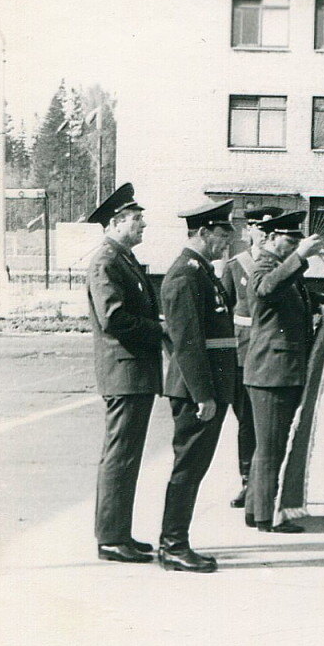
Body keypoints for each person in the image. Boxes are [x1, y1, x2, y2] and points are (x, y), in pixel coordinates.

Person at [158, 200, 237, 573]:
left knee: (194, 467)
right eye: (222, 234)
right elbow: (187, 342)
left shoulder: (202, 272)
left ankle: (175, 541)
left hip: (208, 388)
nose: (227, 241)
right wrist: (203, 394)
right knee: (188, 468)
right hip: (197, 393)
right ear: (203, 232)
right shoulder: (185, 276)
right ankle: (173, 545)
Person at [85, 183, 162, 564]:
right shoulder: (106, 262)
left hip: (134, 372)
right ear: (116, 223)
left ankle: (119, 533)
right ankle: (112, 539)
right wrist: (160, 329)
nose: (142, 225)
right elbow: (114, 318)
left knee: (127, 456)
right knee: (121, 456)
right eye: (136, 219)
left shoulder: (123, 259)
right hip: (125, 372)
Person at [243, 211, 323, 533]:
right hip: (271, 371)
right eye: (290, 241)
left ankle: (255, 510)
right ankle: (267, 516)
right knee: (271, 447)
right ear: (272, 238)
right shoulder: (264, 266)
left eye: (296, 242)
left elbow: (297, 297)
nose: (294, 246)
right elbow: (267, 289)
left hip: (280, 370)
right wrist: (300, 256)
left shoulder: (282, 267)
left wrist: (323, 304)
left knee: (270, 444)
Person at [219, 206, 284, 509]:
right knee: (247, 421)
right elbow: (223, 312)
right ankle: (248, 481)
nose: (265, 234)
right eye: (259, 228)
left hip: (273, 353)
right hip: (244, 354)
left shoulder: (281, 265)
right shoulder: (236, 266)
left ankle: (270, 484)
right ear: (249, 232)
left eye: (271, 229)